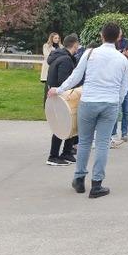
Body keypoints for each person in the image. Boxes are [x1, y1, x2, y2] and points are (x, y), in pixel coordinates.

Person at [48, 22, 128, 199]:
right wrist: (117, 103)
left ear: (101, 35)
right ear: (119, 38)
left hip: (88, 100)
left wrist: (58, 89)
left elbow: (75, 76)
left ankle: (79, 179)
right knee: (102, 144)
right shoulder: (123, 59)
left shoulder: (90, 53)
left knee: (84, 142)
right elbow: (124, 88)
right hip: (109, 103)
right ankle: (97, 184)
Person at [45, 34, 80, 166]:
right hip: (60, 99)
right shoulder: (65, 60)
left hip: (60, 98)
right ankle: (53, 156)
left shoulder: (63, 57)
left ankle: (66, 152)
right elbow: (63, 82)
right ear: (75, 45)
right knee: (61, 126)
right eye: (78, 45)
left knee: (69, 125)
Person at [110, 45, 128, 145]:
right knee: (117, 113)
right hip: (117, 89)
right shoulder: (117, 59)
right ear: (124, 51)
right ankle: (113, 134)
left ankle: (124, 134)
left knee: (126, 112)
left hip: (127, 90)